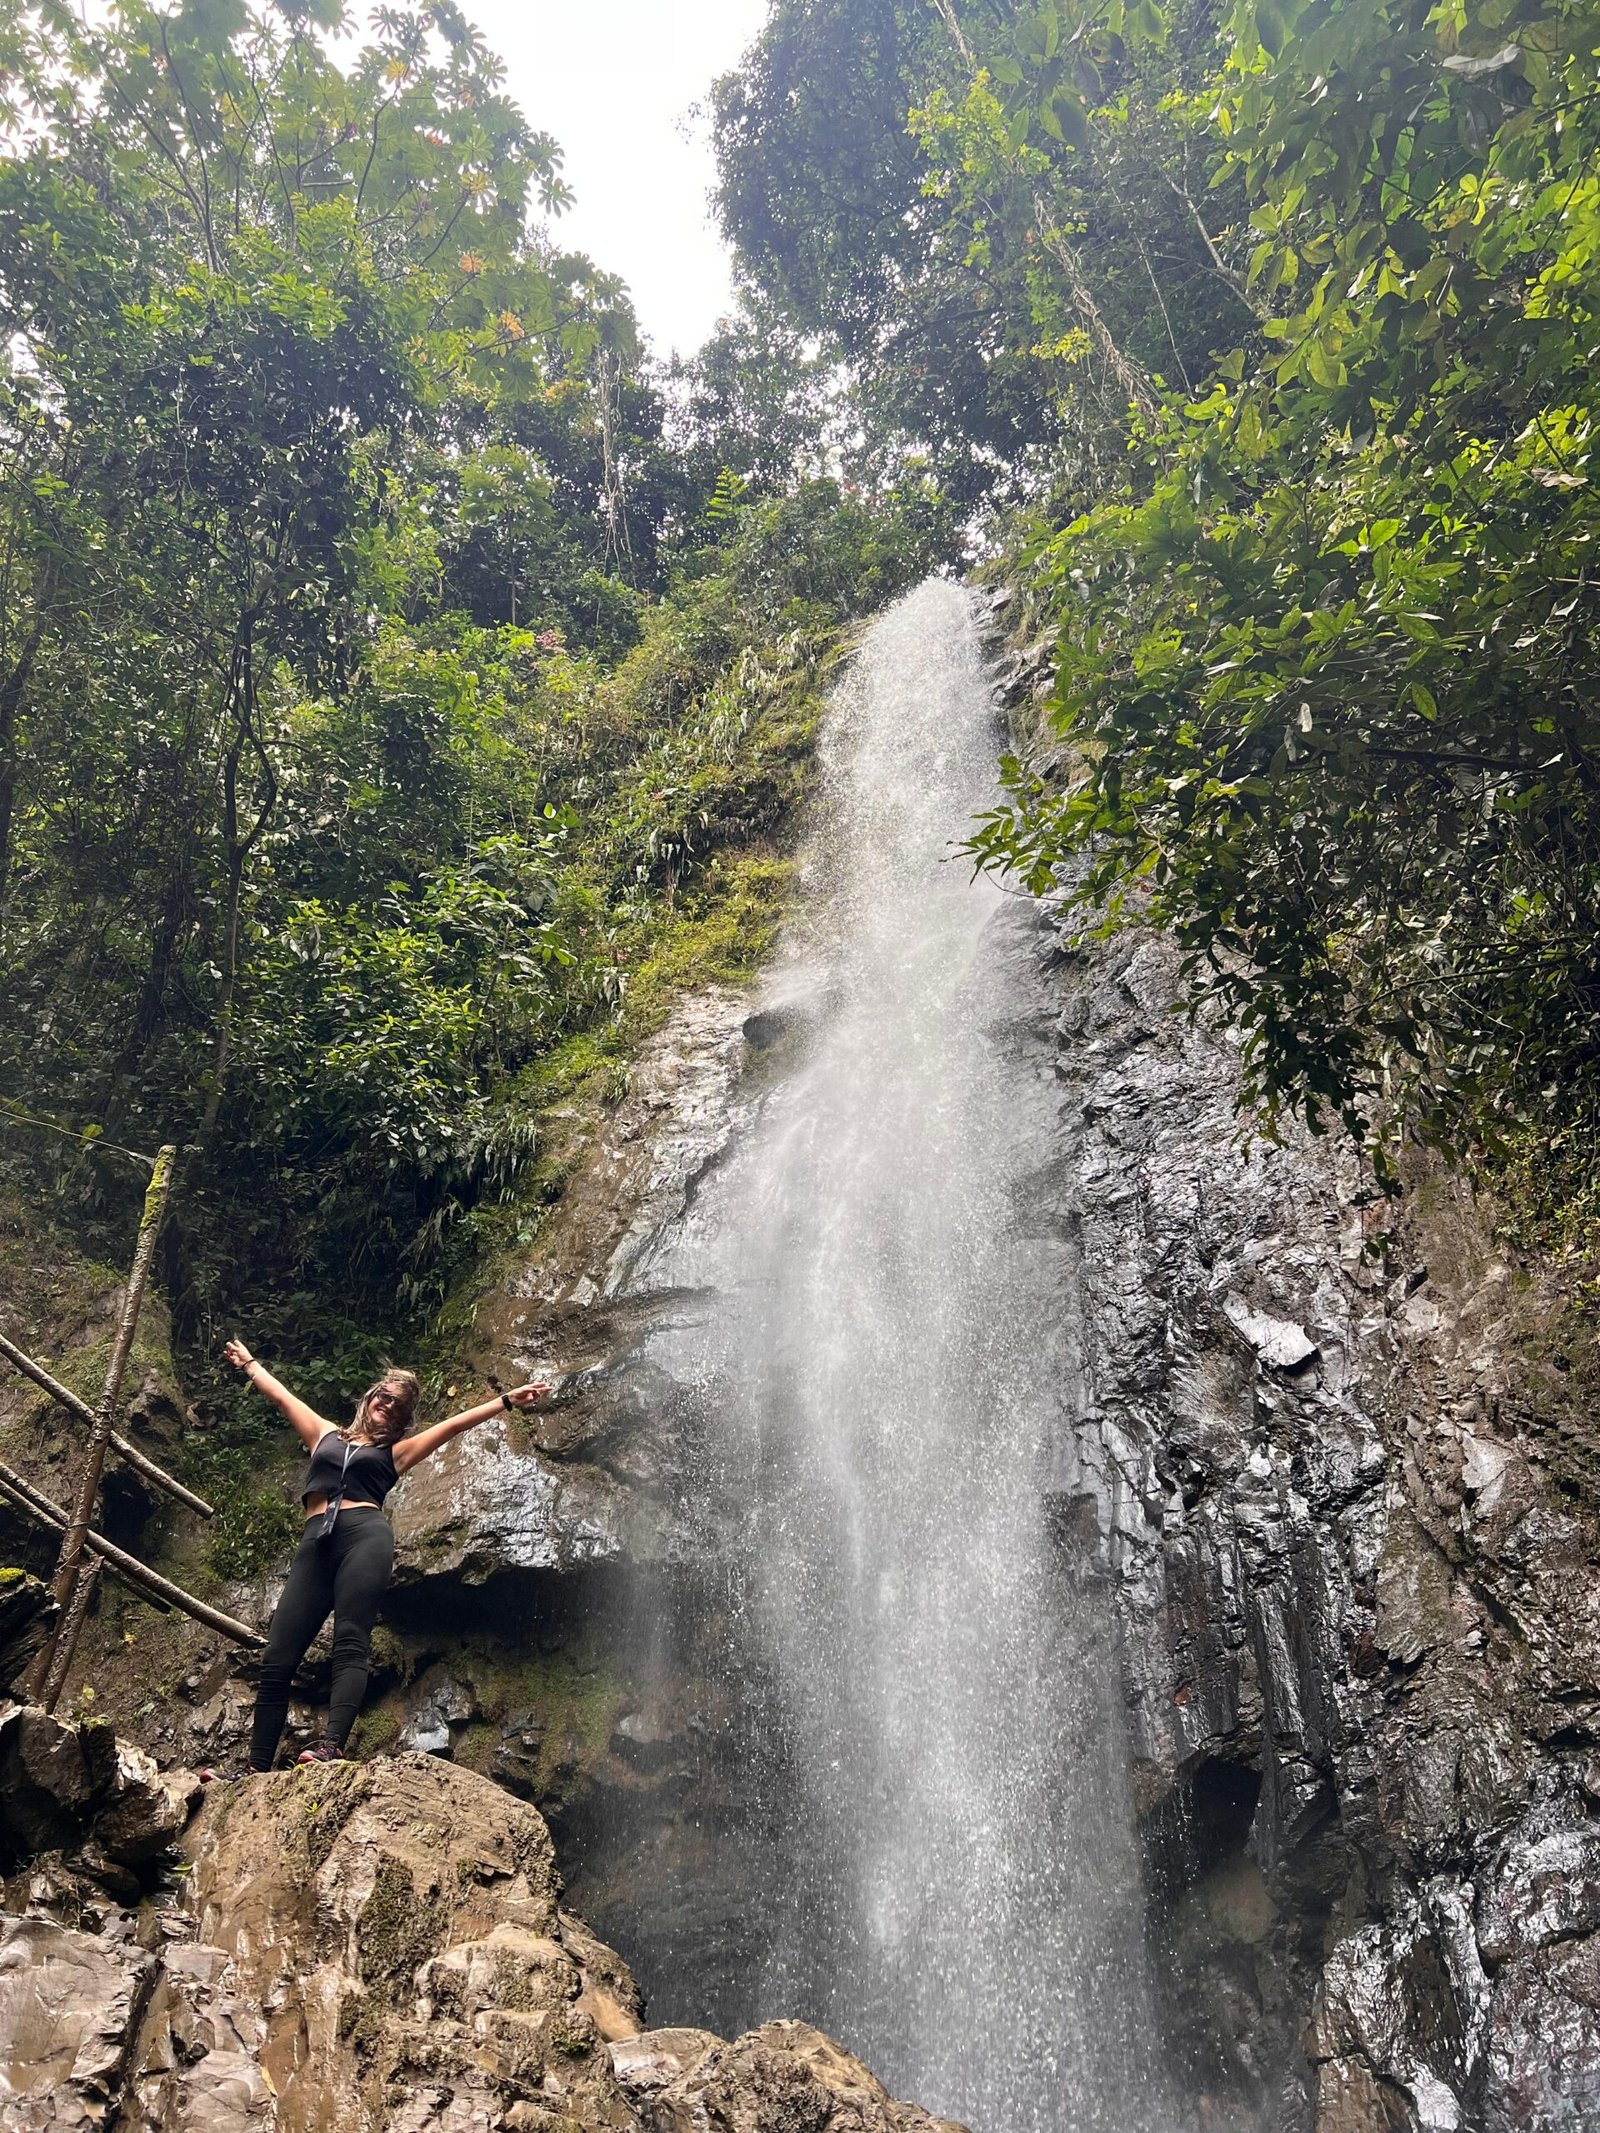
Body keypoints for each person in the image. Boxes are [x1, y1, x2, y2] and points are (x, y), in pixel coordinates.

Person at [214, 1340, 548, 1773]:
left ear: (403, 1420)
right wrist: (249, 1364)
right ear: (370, 1398)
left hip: (365, 1537)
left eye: (398, 1406)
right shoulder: (323, 1434)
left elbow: (452, 1426)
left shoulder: (395, 1454)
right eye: (384, 1397)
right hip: (315, 1542)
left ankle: (332, 1745)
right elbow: (281, 1396)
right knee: (277, 1658)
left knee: (350, 1639)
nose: (388, 1406)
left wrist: (505, 1401)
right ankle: (254, 1768)